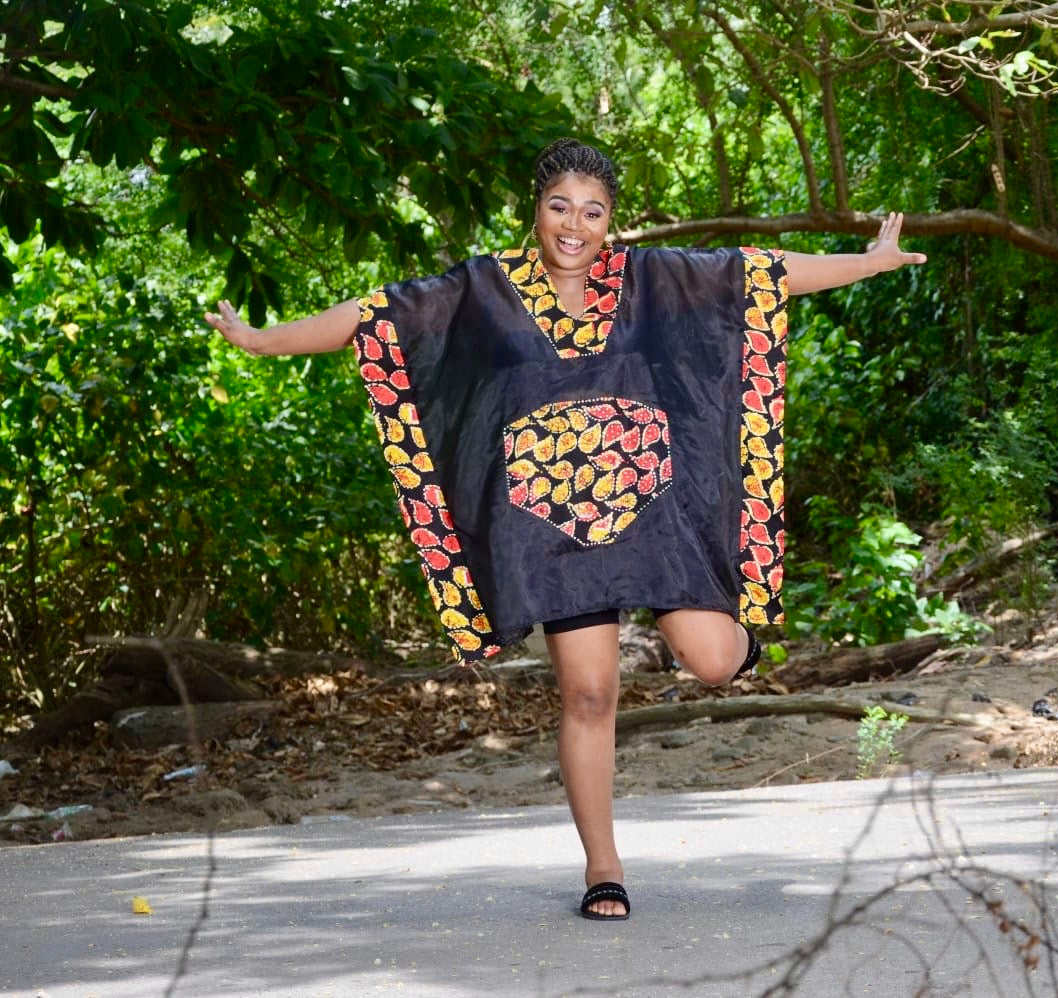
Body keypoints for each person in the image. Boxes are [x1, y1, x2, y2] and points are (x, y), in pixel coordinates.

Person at [206, 138, 926, 921]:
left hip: (656, 512)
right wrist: (258, 338)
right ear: (536, 210)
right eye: (560, 207)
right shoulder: (484, 290)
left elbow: (757, 275)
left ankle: (742, 637)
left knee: (714, 663)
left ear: (611, 222)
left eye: (593, 211)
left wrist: (869, 263)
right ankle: (603, 869)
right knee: (589, 694)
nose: (574, 225)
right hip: (555, 525)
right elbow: (375, 319)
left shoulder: (651, 280)